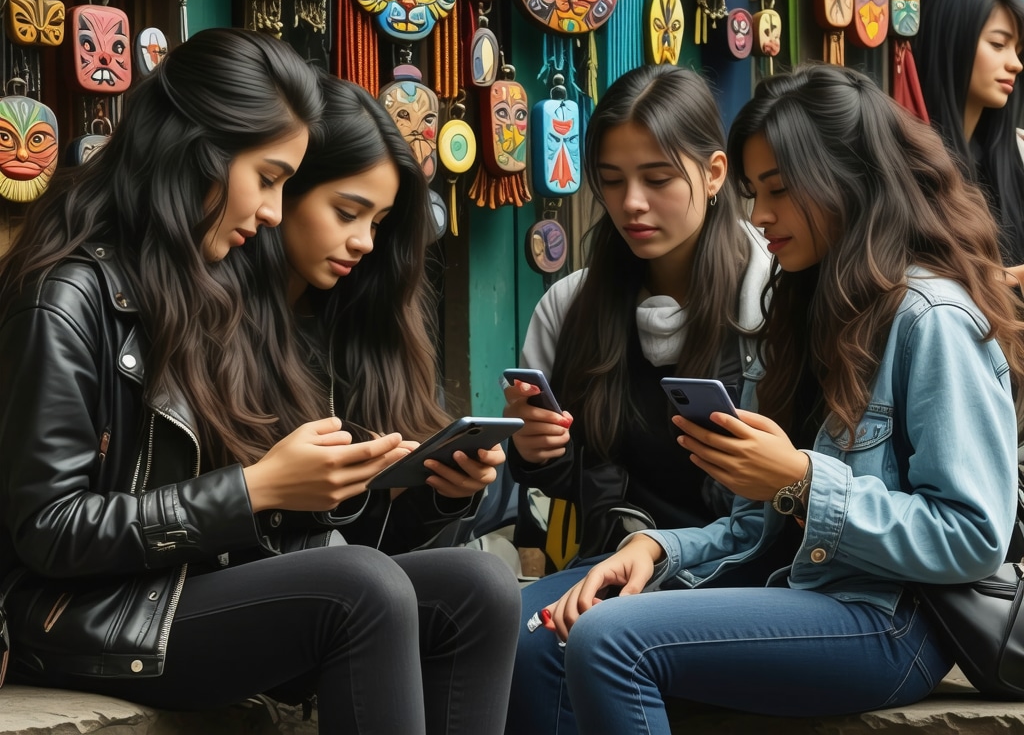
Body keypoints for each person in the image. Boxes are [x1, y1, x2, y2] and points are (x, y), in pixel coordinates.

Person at [0, 29, 520, 735]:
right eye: (269, 178)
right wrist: (256, 487)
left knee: (481, 586)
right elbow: (46, 529)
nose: (273, 211)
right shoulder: (66, 295)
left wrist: (404, 490)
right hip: (80, 616)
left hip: (192, 586)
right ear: (198, 151)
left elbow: (255, 530)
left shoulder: (200, 287)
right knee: (357, 589)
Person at [506, 63, 1022, 735]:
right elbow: (754, 529)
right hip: (802, 590)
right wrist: (659, 550)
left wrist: (803, 480)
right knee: (542, 638)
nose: (761, 216)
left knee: (611, 640)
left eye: (779, 190)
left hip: (895, 620)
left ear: (850, 181)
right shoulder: (803, 308)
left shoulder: (931, 317)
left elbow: (974, 537)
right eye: (755, 193)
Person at [503, 64, 772, 732]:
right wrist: (533, 452)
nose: (631, 205)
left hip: (749, 566)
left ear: (713, 175)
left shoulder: (772, 302)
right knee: (512, 632)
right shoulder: (571, 308)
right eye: (613, 181)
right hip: (619, 561)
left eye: (656, 179)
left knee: (567, 641)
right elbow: (577, 479)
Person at [258, 74, 506, 553]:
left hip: (355, 591)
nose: (365, 242)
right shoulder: (222, 324)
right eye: (347, 213)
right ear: (283, 188)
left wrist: (442, 492)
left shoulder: (361, 320)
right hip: (258, 590)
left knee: (484, 575)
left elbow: (376, 545)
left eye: (378, 223)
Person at [915, 0, 1024, 283]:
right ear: (952, 42)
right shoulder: (907, 165)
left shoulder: (1013, 154)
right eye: (999, 44)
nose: (1016, 63)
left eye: (1017, 50)